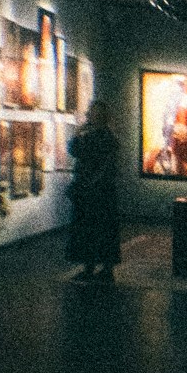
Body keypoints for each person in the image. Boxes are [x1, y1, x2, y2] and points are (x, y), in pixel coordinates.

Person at [67, 96, 121, 278]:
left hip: (91, 190)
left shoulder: (94, 137)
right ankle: (106, 268)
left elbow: (74, 150)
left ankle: (90, 267)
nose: (88, 115)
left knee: (89, 229)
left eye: (91, 113)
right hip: (103, 190)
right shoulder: (109, 137)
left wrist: (77, 133)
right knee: (104, 229)